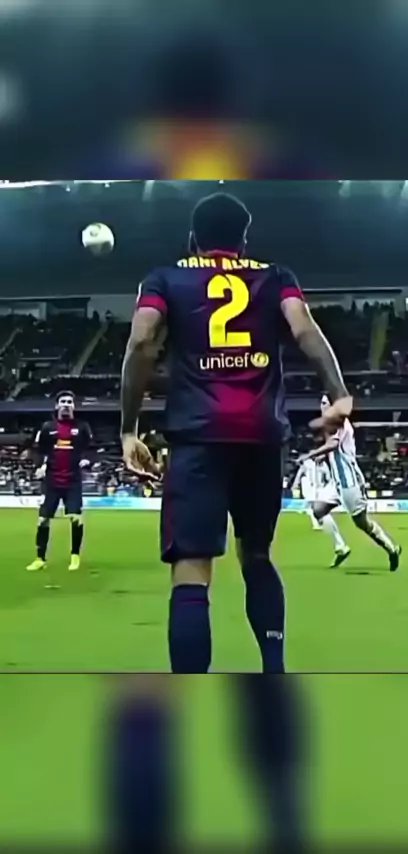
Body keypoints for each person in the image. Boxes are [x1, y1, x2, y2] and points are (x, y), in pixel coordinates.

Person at [120, 191, 352, 673]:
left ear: (193, 238)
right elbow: (305, 330)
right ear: (244, 241)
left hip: (197, 436)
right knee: (258, 556)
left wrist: (129, 429)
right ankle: (273, 670)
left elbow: (142, 341)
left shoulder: (164, 278)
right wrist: (339, 393)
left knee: (191, 569)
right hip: (261, 435)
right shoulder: (276, 276)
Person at [302, 395, 401, 571]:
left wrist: (312, 454)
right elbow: (335, 447)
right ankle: (341, 547)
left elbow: (334, 444)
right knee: (318, 510)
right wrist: (324, 456)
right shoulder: (331, 425)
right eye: (321, 404)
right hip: (336, 483)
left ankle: (391, 549)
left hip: (350, 483)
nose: (322, 407)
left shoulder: (340, 422)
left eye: (325, 404)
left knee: (362, 523)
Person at [26, 390, 92, 572]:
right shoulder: (47, 427)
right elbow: (39, 450)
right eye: (63, 401)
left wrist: (87, 459)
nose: (66, 405)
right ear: (57, 406)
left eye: (69, 402)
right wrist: (40, 465)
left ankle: (75, 556)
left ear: (74, 406)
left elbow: (91, 449)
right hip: (52, 481)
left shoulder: (82, 427)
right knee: (43, 520)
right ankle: (40, 558)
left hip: (73, 481)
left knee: (75, 518)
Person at [292, 455, 350, 567]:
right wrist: (296, 483)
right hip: (319, 488)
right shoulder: (308, 464)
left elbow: (328, 477)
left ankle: (340, 545)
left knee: (319, 511)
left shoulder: (324, 464)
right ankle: (340, 545)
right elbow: (300, 473)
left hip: (329, 487)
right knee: (318, 510)